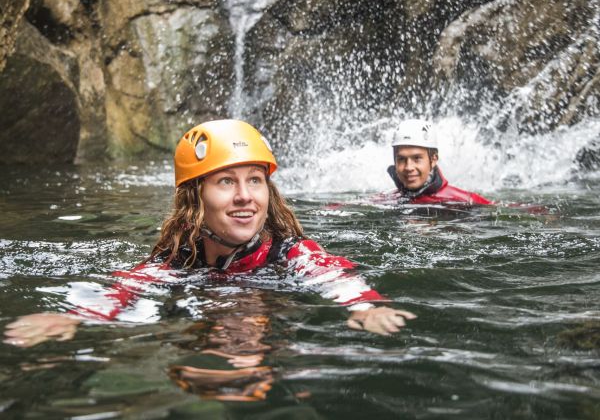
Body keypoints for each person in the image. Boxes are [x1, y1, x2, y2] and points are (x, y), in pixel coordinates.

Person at [4, 119, 416, 349]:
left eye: (255, 181)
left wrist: (365, 306)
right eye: (225, 182)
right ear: (194, 196)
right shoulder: (180, 256)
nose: (244, 197)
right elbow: (129, 286)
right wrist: (75, 315)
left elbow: (334, 275)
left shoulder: (290, 252)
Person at [383, 118, 491, 205]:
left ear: (433, 159)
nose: (408, 167)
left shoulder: (466, 201)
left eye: (417, 158)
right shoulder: (385, 199)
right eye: (401, 159)